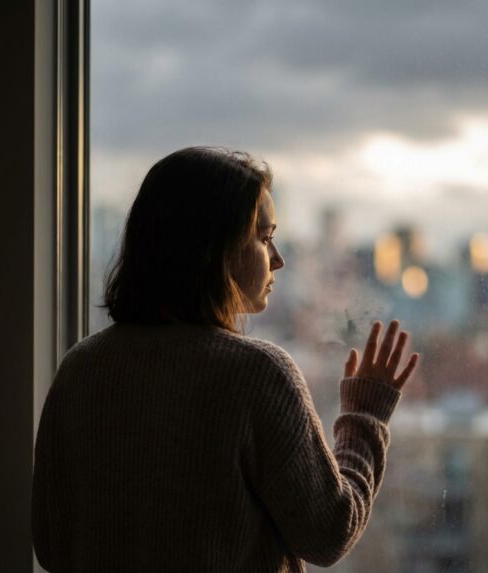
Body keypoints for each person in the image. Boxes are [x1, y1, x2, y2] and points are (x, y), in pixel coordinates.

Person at [31, 146, 420, 572]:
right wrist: (365, 418)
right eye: (264, 237)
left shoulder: (80, 369)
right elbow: (329, 533)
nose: (278, 259)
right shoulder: (257, 375)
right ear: (215, 246)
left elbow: (52, 544)